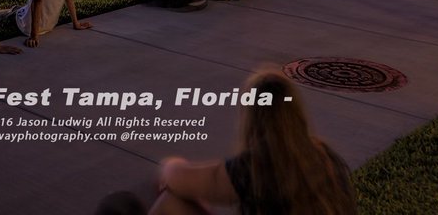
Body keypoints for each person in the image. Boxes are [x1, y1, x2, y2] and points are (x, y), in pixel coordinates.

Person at [149, 71, 356, 215]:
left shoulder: (257, 166)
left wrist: (170, 164)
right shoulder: (326, 156)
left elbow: (178, 179)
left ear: (253, 119)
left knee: (171, 202)